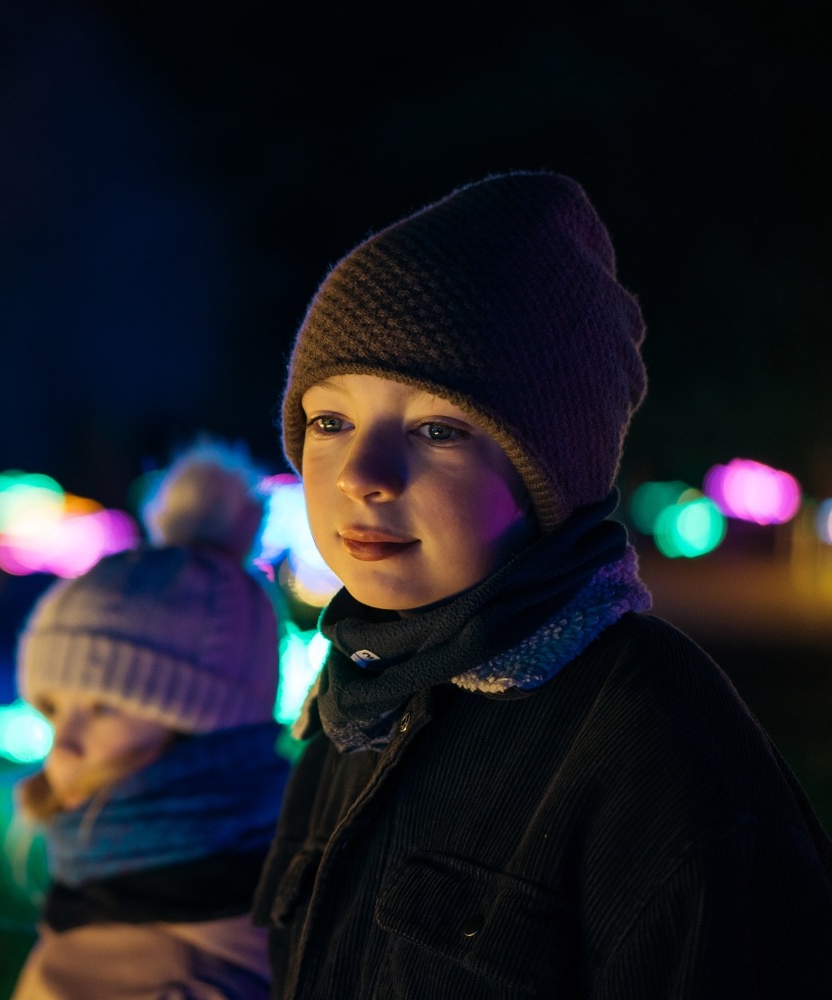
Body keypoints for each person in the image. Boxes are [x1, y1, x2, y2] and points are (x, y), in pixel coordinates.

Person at [253, 171, 832, 998]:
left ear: (549, 471)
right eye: (330, 421)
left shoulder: (651, 740)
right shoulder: (357, 699)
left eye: (438, 428)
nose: (360, 475)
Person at [9, 441, 291, 1000]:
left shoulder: (175, 976)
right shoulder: (128, 894)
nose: (63, 747)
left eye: (105, 707)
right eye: (53, 708)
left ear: (209, 732)